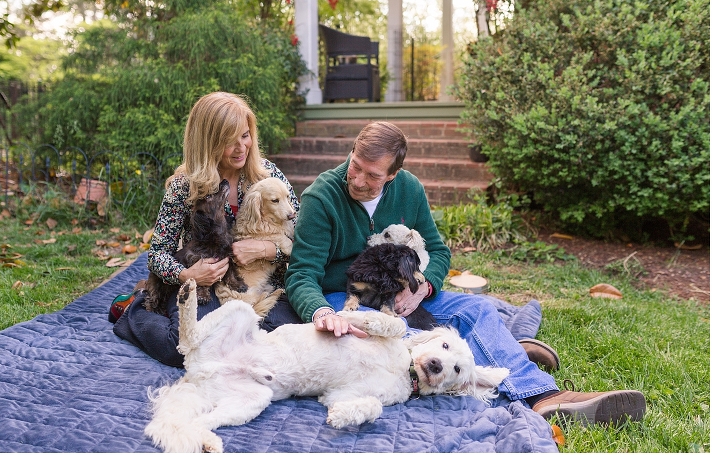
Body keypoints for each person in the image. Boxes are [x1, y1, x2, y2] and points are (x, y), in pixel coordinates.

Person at [285, 121, 646, 426]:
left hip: (405, 292)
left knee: (479, 310)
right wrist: (323, 314)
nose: (359, 180)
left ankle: (545, 396)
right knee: (400, 339)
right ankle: (499, 351)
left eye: (373, 175)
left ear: (393, 175)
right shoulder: (323, 198)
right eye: (355, 166)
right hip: (348, 299)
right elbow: (302, 274)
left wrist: (423, 287)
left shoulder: (409, 189)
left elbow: (439, 251)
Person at [111, 91, 301, 367]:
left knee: (273, 337)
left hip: (261, 282)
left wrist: (267, 249)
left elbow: (304, 239)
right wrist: (188, 274)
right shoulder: (184, 186)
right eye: (228, 140)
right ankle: (136, 308)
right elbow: (157, 255)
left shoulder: (267, 175)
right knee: (184, 347)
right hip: (207, 287)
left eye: (245, 136)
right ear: (208, 142)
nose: (241, 147)